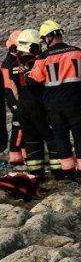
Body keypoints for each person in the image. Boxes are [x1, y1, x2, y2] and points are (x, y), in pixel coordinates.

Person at [29, 21, 81, 180]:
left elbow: (33, 82)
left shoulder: (43, 57)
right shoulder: (78, 52)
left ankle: (68, 173)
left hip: (54, 106)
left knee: (61, 138)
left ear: (49, 37)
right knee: (80, 137)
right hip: (75, 103)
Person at [8, 30, 54, 179]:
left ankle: (35, 173)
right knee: (51, 137)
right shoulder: (36, 61)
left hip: (22, 105)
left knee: (31, 140)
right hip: (37, 104)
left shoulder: (13, 64)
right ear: (31, 46)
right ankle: (59, 172)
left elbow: (14, 85)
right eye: (37, 45)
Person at [2, 31, 22, 168]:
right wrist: (15, 105)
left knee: (21, 129)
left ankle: (20, 158)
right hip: (16, 101)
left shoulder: (12, 61)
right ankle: (16, 160)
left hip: (16, 100)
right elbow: (9, 88)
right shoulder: (10, 63)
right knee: (19, 129)